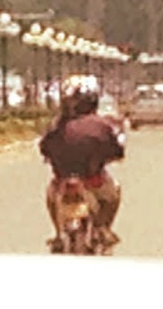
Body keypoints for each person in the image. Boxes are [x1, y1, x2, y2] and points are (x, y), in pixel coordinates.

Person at [38, 90, 125, 247]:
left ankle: (58, 233)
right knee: (114, 192)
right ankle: (103, 228)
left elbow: (44, 147)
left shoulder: (57, 125)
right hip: (93, 180)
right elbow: (116, 150)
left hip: (62, 180)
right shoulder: (102, 125)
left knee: (51, 196)